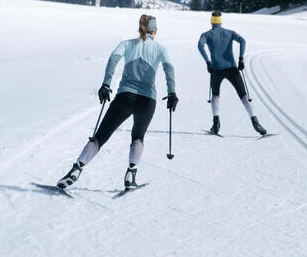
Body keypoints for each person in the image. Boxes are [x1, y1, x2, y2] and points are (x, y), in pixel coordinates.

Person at [57, 14, 178, 190]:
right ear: (155, 31)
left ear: (140, 28)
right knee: (138, 136)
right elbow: (169, 68)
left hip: (124, 97)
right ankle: (131, 174)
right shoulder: (160, 48)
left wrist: (106, 83)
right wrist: (172, 92)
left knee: (100, 136)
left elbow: (114, 58)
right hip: (147, 100)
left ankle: (76, 169)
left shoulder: (127, 44)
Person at [198, 11, 266, 136]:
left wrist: (208, 62)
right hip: (232, 68)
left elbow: (200, 46)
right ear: (221, 21)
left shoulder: (207, 35)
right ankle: (255, 122)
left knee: (215, 95)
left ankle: (216, 123)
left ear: (212, 21)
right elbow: (243, 41)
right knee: (243, 95)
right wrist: (241, 58)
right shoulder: (229, 33)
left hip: (216, 70)